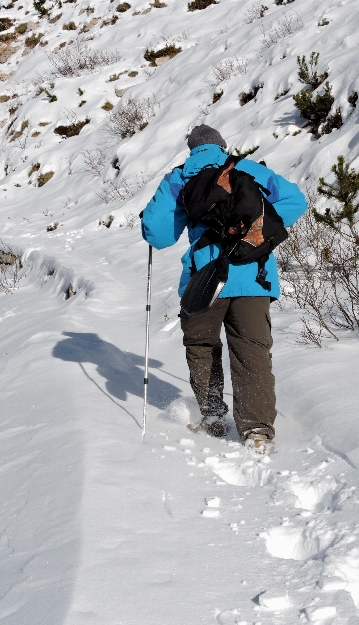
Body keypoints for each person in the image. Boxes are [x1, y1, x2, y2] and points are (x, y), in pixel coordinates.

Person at [141, 125, 307, 454]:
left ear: (191, 150)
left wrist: (150, 218)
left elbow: (158, 235)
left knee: (202, 346)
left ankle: (214, 417)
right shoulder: (245, 168)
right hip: (253, 278)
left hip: (204, 280)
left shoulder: (178, 179)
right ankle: (257, 429)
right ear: (221, 146)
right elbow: (296, 201)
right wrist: (252, 226)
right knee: (252, 352)